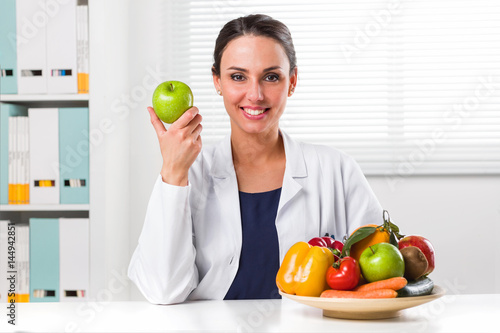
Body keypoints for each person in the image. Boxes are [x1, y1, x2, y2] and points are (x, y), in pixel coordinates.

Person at [128, 14, 382, 304]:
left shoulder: (337, 170)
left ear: (292, 81)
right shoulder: (190, 172)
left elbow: (377, 275)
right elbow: (162, 290)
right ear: (217, 81)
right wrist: (172, 173)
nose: (255, 94)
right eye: (238, 77)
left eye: (271, 77)